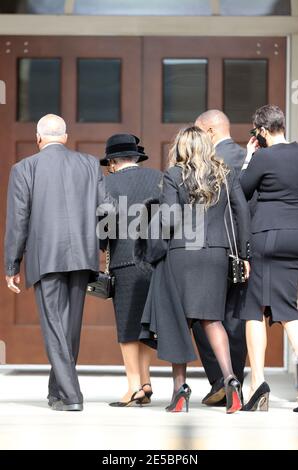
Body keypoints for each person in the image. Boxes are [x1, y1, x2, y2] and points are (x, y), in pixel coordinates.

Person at [5, 114, 113, 411]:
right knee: (69, 327)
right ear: (64, 137)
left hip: (46, 255)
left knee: (55, 326)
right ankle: (58, 393)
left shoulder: (24, 168)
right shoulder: (90, 164)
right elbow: (106, 209)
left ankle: (72, 396)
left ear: (38, 138)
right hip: (82, 254)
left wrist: (12, 266)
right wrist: (100, 247)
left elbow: (18, 221)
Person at [140, 126, 251, 414]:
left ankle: (180, 391)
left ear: (181, 147)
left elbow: (168, 218)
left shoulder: (174, 175)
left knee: (179, 322)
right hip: (216, 254)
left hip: (181, 254)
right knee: (212, 320)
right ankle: (230, 379)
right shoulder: (225, 174)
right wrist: (244, 254)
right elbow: (241, 213)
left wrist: (155, 249)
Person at [239, 104, 298, 413]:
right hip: (296, 237)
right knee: (286, 306)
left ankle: (257, 384)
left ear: (261, 131)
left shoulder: (263, 156)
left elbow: (241, 190)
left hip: (267, 237)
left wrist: (249, 158)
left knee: (254, 309)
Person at [99, 133, 162, 407]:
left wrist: (102, 244)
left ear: (112, 161)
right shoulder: (159, 178)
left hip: (125, 261)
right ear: (136, 157)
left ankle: (133, 386)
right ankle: (146, 382)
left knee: (126, 325)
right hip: (155, 261)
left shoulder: (106, 183)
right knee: (146, 324)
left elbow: (105, 223)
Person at [193, 110, 248, 406]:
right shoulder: (247, 157)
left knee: (203, 315)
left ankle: (220, 379)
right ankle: (234, 378)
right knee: (236, 317)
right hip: (243, 250)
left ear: (210, 130)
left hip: (211, 247)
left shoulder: (211, 163)